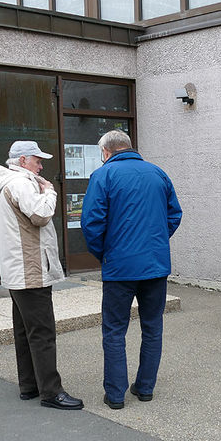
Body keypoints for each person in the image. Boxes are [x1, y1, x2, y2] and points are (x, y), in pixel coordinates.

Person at [81, 130, 182, 409]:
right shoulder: (157, 173)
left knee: (114, 330)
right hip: (155, 265)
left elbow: (91, 224)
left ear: (105, 152)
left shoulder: (103, 176)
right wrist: (156, 241)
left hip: (120, 268)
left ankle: (115, 395)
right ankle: (145, 387)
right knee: (152, 327)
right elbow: (174, 214)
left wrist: (105, 253)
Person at [0, 140, 83, 410]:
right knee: (42, 332)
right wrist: (51, 191)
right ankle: (52, 393)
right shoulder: (21, 183)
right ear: (22, 161)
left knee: (24, 330)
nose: (41, 165)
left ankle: (29, 385)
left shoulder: (7, 183)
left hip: (19, 269)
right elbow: (41, 214)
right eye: (37, 160)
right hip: (30, 270)